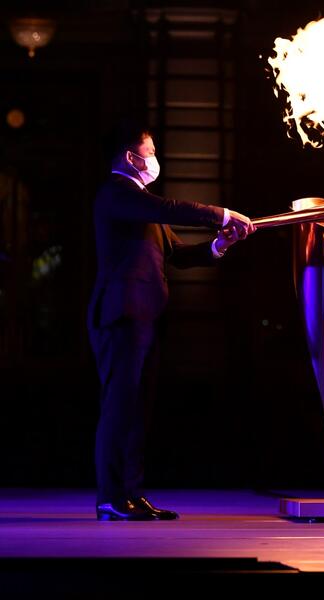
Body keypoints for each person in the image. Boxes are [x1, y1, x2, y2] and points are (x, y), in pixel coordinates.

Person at [87, 121, 255, 521]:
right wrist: (222, 213)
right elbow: (168, 208)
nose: (154, 158)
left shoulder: (141, 204)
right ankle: (111, 497)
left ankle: (132, 493)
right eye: (150, 150)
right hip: (121, 315)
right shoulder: (117, 194)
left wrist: (218, 245)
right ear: (131, 157)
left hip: (146, 318)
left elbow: (177, 255)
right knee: (119, 407)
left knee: (138, 410)